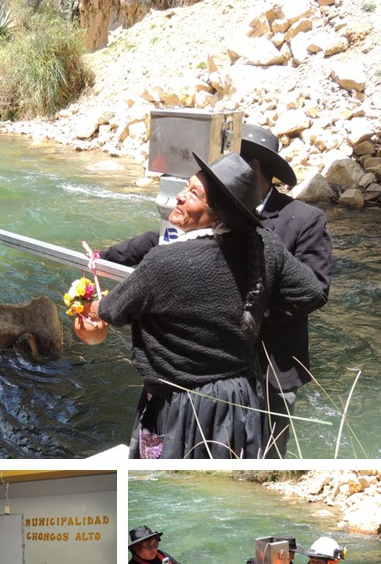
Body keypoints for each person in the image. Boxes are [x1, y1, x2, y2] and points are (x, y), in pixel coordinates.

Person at [98, 125, 332, 456]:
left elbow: (110, 311)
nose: (179, 195)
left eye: (192, 191)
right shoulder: (256, 242)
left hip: (243, 379)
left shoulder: (302, 220)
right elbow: (155, 241)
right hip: (237, 391)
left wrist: (250, 301)